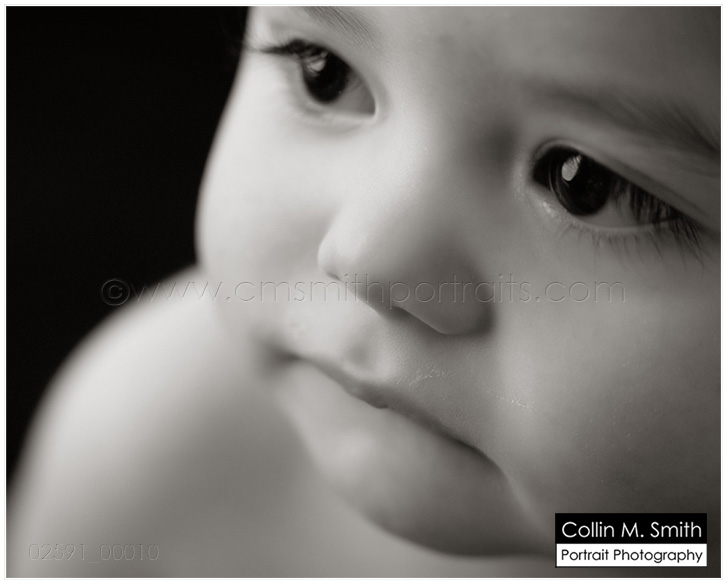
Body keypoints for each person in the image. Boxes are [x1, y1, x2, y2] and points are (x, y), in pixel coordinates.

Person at [8, 6, 720, 577]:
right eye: (325, 72)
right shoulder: (167, 438)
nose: (365, 259)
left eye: (587, 185)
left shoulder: (657, 544)